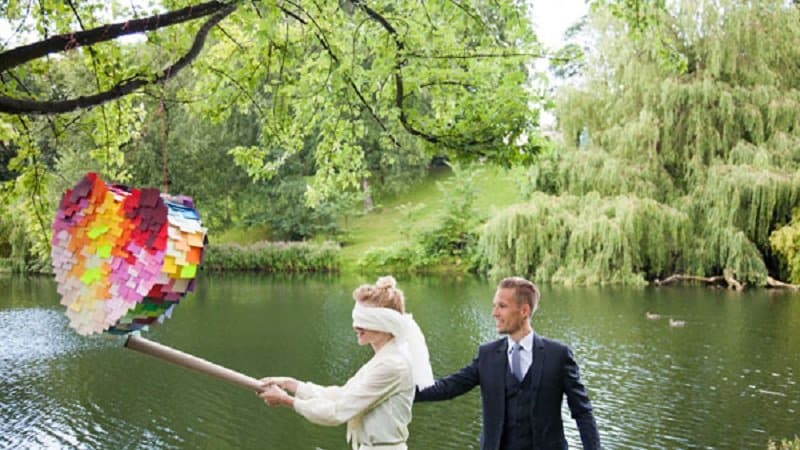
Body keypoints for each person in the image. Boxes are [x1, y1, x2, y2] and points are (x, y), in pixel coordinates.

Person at [415, 276, 601, 450]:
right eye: (494, 306)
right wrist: (399, 389)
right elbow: (448, 387)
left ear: (524, 310)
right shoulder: (487, 355)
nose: (494, 313)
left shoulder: (558, 355)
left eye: (502, 306)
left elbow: (582, 412)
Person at [259, 276, 434, 450]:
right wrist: (291, 384)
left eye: (364, 321)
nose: (355, 327)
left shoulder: (393, 366)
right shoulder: (382, 360)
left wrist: (286, 400)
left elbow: (337, 412)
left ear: (385, 324)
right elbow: (342, 395)